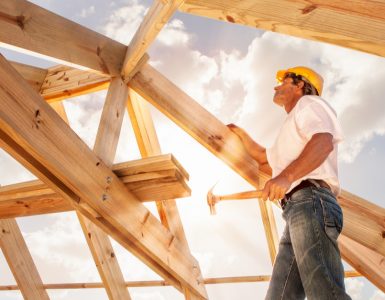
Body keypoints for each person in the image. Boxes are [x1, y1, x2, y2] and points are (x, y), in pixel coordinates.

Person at [228, 66, 351, 300]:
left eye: (283, 81)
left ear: (300, 85)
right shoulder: (291, 127)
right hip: (297, 209)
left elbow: (323, 141)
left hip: (311, 202)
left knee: (325, 293)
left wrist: (286, 177)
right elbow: (265, 158)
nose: (276, 86)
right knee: (280, 296)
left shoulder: (310, 104)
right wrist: (240, 134)